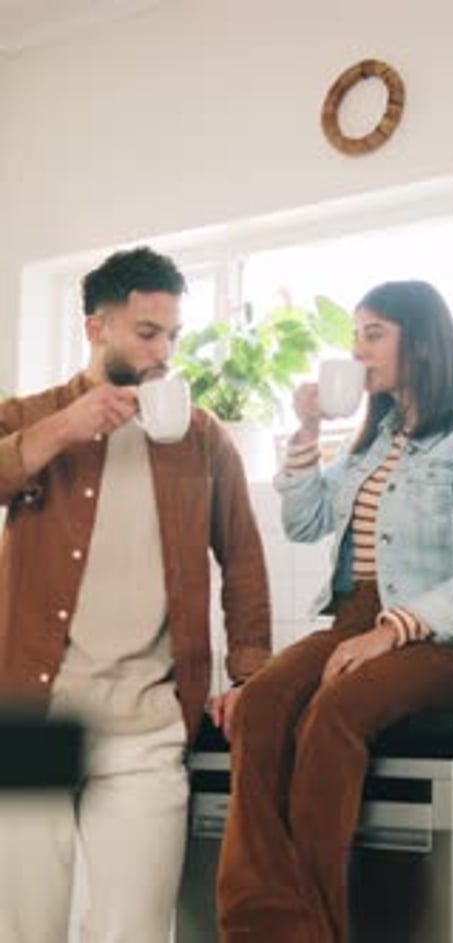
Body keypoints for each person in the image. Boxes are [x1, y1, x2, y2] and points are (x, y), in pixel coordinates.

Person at [0, 246, 271, 943]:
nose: (163, 353)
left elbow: (241, 555)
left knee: (136, 931)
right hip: (37, 717)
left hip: (148, 724)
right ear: (96, 329)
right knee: (28, 926)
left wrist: (251, 676)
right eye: (147, 333)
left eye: (173, 335)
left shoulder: (202, 438)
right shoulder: (32, 415)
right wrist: (62, 429)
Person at [216, 279, 453, 943]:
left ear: (421, 342)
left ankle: (314, 929)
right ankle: (260, 927)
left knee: (334, 709)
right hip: (357, 619)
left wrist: (389, 633)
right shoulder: (373, 443)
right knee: (260, 705)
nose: (358, 351)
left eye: (374, 334)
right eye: (355, 337)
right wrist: (310, 430)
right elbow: (306, 518)